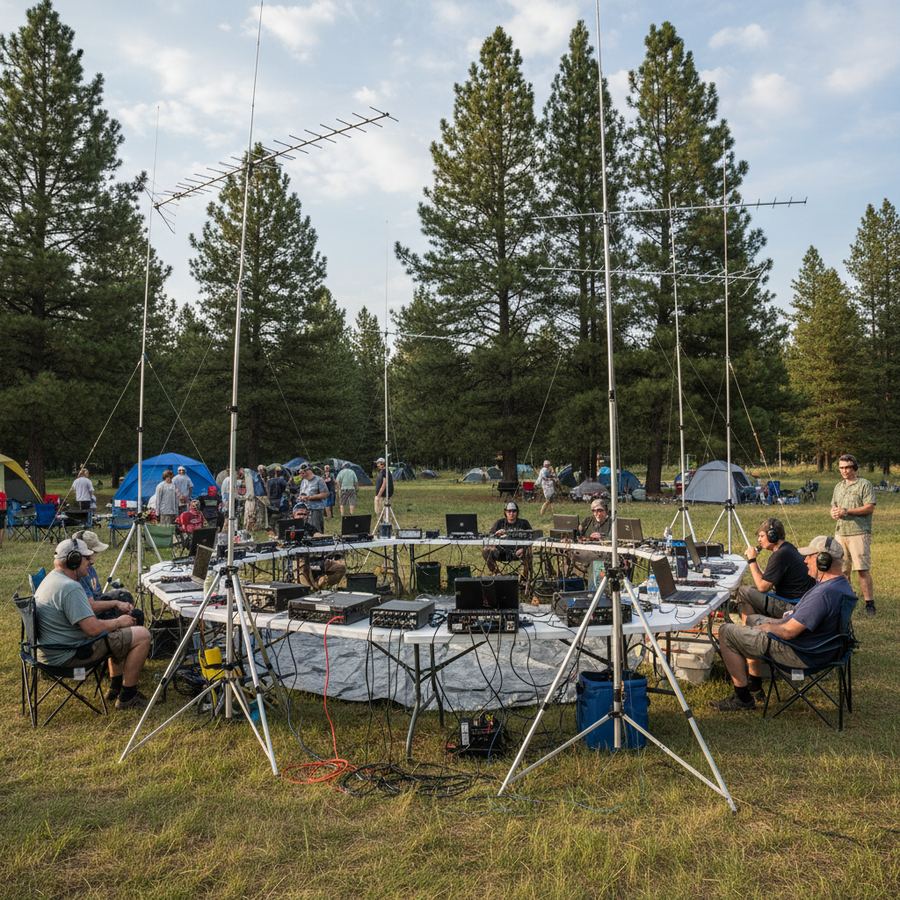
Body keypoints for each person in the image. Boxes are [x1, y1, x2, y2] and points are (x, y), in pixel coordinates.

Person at [710, 536, 853, 712]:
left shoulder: (824, 593)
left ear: (823, 560)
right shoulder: (840, 585)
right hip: (820, 647)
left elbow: (788, 632)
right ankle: (754, 683)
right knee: (753, 620)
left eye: (809, 556)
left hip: (800, 652)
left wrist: (768, 627)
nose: (805, 560)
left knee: (726, 631)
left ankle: (743, 698)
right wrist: (769, 623)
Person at [34, 538, 151, 709]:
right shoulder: (70, 588)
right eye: (87, 558)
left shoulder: (52, 579)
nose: (91, 562)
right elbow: (93, 629)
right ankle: (128, 696)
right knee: (142, 635)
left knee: (118, 632)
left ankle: (115, 687)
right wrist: (118, 621)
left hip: (50, 652)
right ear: (74, 560)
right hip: (70, 654)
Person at [733, 517, 815, 621]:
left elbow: (762, 587)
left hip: (792, 605)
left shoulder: (780, 555)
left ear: (772, 536)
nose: (759, 540)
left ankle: (748, 631)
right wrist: (754, 561)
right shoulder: (788, 548)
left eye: (762, 536)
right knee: (750, 595)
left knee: (743, 591)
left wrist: (752, 560)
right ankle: (752, 627)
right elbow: (768, 579)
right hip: (799, 601)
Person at [831, 453, 877, 616]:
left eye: (847, 467)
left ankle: (869, 603)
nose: (844, 471)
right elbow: (833, 506)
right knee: (842, 571)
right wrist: (834, 513)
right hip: (840, 533)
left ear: (854, 467)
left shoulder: (864, 484)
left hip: (859, 533)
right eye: (841, 468)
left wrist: (847, 511)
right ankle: (849, 599)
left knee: (862, 570)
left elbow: (869, 507)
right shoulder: (838, 486)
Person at [290, 502, 346, 588]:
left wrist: (335, 536)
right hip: (298, 561)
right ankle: (308, 590)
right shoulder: (289, 527)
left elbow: (317, 535)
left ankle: (318, 585)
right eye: (299, 514)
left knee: (340, 568)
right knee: (302, 567)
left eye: (305, 514)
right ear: (293, 515)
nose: (302, 516)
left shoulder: (309, 526)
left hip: (314, 560)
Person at [482, 501, 533, 577]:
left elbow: (532, 538)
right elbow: (489, 538)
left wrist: (524, 548)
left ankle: (524, 578)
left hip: (518, 552)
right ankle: (497, 574)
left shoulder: (524, 523)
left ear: (517, 512)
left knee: (528, 552)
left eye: (514, 511)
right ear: (505, 512)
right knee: (486, 550)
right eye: (509, 511)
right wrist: (496, 534)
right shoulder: (499, 523)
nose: (511, 513)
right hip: (501, 552)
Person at [297, 463, 329, 532]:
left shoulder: (319, 480)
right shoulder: (303, 481)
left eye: (302, 473)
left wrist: (310, 497)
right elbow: (302, 493)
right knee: (307, 532)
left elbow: (325, 494)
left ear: (308, 471)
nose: (300, 474)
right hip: (305, 510)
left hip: (316, 510)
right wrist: (300, 497)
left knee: (316, 531)